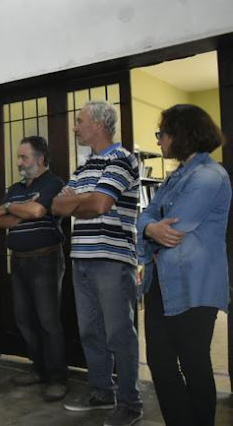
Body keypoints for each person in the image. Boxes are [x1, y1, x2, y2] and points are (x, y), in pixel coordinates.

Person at [137, 104, 230, 426]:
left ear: (182, 134)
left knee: (194, 364)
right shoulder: (176, 175)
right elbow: (148, 216)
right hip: (163, 282)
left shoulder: (209, 176)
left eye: (162, 133)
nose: (159, 140)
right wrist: (149, 227)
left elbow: (175, 227)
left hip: (195, 286)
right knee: (160, 363)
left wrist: (149, 227)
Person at [52, 100, 142, 426]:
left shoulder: (123, 160)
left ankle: (130, 403)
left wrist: (79, 202)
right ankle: (102, 392)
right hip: (82, 258)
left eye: (79, 121)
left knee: (119, 333)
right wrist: (84, 201)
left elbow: (101, 204)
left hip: (112, 260)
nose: (75, 127)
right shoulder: (84, 167)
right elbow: (57, 205)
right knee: (90, 331)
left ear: (99, 125)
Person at [0, 136, 68, 401]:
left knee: (48, 321)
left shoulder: (53, 183)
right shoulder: (15, 188)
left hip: (45, 259)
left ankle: (57, 378)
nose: (19, 162)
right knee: (24, 320)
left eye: (24, 157)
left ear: (41, 159)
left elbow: (36, 212)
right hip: (20, 260)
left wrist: (11, 207)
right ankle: (39, 370)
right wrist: (22, 211)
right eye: (19, 157)